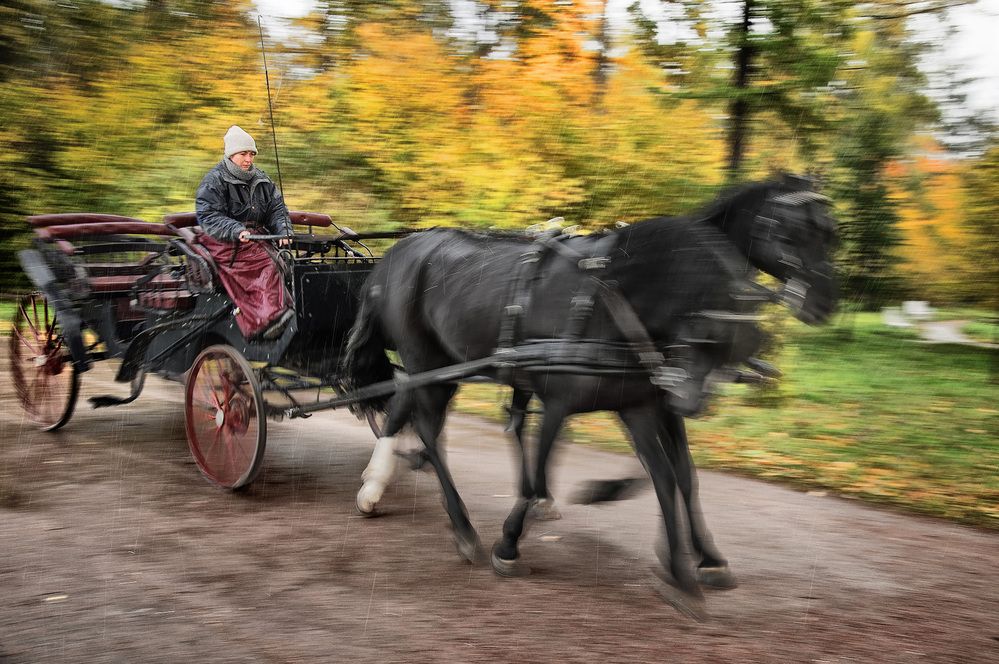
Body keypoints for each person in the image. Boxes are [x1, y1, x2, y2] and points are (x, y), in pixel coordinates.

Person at [195, 125, 295, 340]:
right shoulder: (214, 180)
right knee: (266, 264)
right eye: (243, 154)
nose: (248, 159)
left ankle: (286, 309)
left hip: (255, 237)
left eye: (251, 154)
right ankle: (266, 320)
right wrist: (236, 229)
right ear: (231, 154)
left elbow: (277, 210)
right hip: (223, 240)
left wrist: (284, 231)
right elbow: (208, 216)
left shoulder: (261, 179)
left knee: (285, 260)